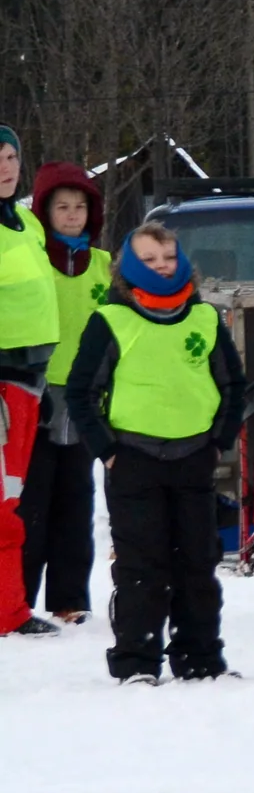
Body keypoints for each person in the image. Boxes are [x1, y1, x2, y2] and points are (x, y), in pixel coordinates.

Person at [63, 223, 245, 683]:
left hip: (194, 459)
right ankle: (137, 662)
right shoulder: (111, 320)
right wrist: (106, 450)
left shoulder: (203, 318)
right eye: (149, 258)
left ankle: (201, 657)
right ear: (129, 267)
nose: (162, 265)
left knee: (198, 565)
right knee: (142, 568)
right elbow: (82, 392)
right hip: (133, 460)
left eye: (168, 255)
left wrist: (219, 441)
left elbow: (232, 384)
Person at [23, 162, 111, 622]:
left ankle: (70, 599)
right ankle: (17, 599)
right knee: (31, 501)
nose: (72, 215)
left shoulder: (102, 265)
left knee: (77, 500)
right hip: (34, 392)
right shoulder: (33, 259)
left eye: (80, 207)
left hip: (86, 396)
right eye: (63, 207)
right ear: (45, 211)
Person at [0, 125, 63, 637]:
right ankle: (8, 613)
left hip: (30, 380)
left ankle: (11, 608)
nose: (5, 166)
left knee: (11, 498)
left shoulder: (25, 221)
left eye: (10, 156)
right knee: (2, 502)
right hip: (1, 381)